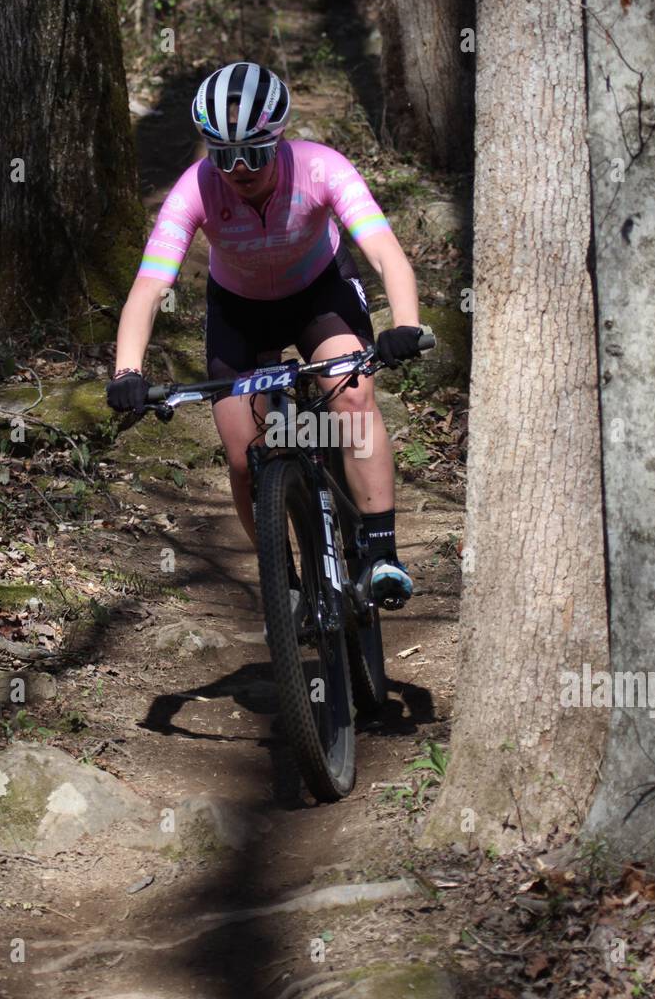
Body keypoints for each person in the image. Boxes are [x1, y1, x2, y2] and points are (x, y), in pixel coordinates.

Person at [107, 61, 425, 608]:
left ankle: (380, 553)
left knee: (353, 394)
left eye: (252, 153)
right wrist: (127, 371)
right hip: (240, 311)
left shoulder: (321, 168)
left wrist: (406, 324)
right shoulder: (196, 190)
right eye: (222, 153)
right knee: (242, 456)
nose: (237, 168)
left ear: (278, 140)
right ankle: (284, 579)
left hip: (318, 296)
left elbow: (383, 251)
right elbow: (149, 288)